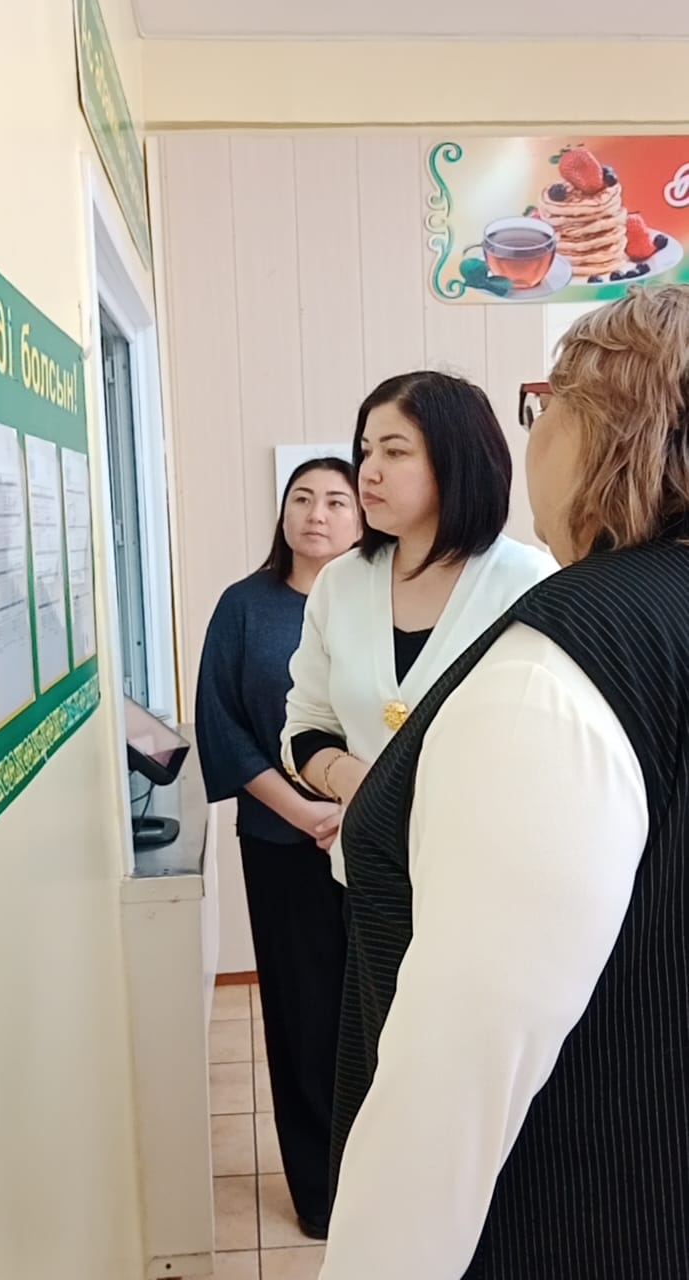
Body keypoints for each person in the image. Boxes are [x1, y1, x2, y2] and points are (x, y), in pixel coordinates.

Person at [319, 285, 689, 1280]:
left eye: (541, 405)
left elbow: (453, 1076)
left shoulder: (557, 666)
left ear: (601, 421)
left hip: (568, 1217)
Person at [281, 371, 556, 882]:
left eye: (394, 452)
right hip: (368, 877)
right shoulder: (340, 582)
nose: (368, 472)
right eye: (365, 451)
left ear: (456, 463)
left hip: (489, 879)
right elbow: (304, 728)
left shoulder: (530, 584)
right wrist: (351, 780)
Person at [194, 456, 360, 1241]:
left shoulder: (379, 602)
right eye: (302, 498)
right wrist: (304, 812)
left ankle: (382, 1182)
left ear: (362, 516)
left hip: (379, 844)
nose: (316, 514)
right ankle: (320, 1195)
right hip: (280, 843)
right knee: (303, 1017)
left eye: (335, 500)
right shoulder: (244, 606)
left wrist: (356, 814)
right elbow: (220, 726)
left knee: (381, 1015)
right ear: (283, 513)